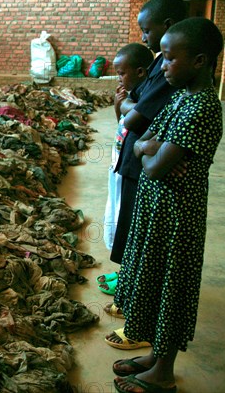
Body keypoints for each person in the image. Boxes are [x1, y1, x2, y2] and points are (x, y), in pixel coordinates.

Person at [111, 17, 224, 393]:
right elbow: (151, 138)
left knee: (172, 288)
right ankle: (155, 355)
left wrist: (145, 149)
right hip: (157, 210)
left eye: (171, 59)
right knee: (153, 282)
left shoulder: (203, 107)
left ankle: (164, 372)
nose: (164, 66)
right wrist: (149, 147)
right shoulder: (180, 95)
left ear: (200, 60)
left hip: (178, 217)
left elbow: (157, 164)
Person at [104, 0, 187, 348]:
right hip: (142, 168)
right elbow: (131, 116)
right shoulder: (160, 67)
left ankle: (139, 319)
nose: (143, 37)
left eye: (146, 30)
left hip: (153, 177)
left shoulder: (178, 86)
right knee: (132, 235)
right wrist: (126, 110)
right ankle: (129, 296)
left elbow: (136, 117)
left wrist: (125, 105)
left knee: (147, 249)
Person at [97, 43, 154, 297]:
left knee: (130, 224)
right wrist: (117, 106)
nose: (119, 78)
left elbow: (134, 119)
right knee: (121, 218)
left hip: (135, 167)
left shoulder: (146, 94)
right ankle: (126, 273)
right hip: (123, 164)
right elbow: (122, 123)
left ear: (141, 72)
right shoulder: (137, 92)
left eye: (122, 73)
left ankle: (128, 279)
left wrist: (124, 106)